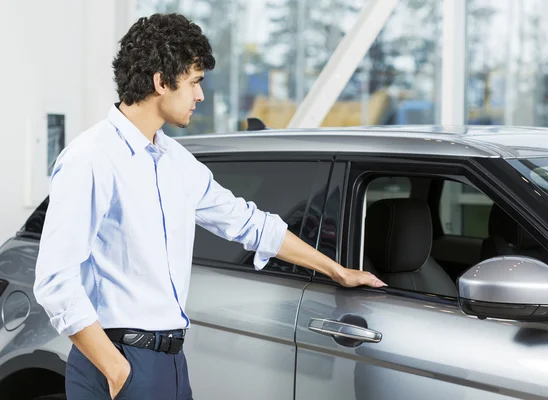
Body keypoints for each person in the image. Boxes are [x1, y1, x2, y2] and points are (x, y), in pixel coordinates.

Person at [33, 13, 387, 400]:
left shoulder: (176, 161)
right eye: (194, 82)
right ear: (161, 82)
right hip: (116, 360)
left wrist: (338, 271)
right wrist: (117, 371)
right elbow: (55, 280)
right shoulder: (91, 157)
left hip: (169, 361)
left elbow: (251, 225)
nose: (201, 96)